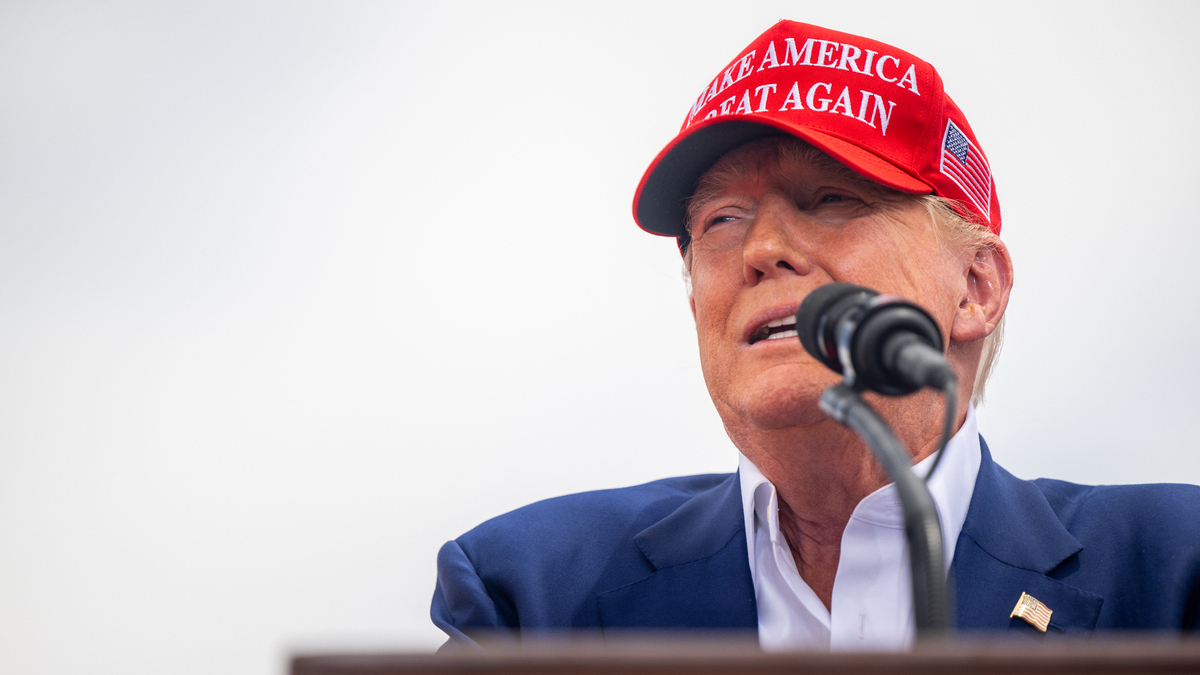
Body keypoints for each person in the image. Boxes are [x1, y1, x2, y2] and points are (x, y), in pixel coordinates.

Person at [430, 20, 1200, 650]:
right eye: (720, 220)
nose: (762, 249)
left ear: (976, 287)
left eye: (832, 198)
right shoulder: (530, 596)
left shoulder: (1173, 574)